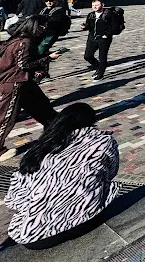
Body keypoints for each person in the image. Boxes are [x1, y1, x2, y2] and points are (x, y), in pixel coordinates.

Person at [4, 103, 119, 249]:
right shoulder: (102, 140)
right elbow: (112, 171)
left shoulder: (40, 149)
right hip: (82, 222)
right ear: (92, 122)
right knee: (107, 184)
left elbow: (13, 200)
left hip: (30, 238)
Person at [0, 17, 60, 162]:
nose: (43, 30)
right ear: (34, 26)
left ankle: (58, 130)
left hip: (24, 82)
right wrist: (48, 58)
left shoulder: (19, 39)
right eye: (42, 27)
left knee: (42, 106)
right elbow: (23, 65)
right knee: (6, 117)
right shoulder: (24, 42)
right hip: (14, 82)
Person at [81, 0, 114, 81]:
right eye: (93, 5)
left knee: (102, 56)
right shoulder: (91, 15)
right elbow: (89, 26)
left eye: (97, 5)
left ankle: (100, 73)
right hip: (92, 38)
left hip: (104, 38)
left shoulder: (109, 14)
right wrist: (85, 27)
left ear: (102, 5)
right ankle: (99, 67)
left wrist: (106, 34)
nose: (94, 7)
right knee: (87, 56)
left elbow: (114, 26)